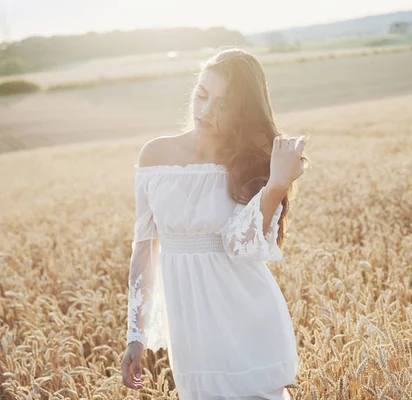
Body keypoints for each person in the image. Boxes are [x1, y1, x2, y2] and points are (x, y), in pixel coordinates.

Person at [120, 48, 309, 400]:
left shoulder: (256, 163)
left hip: (249, 317)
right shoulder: (154, 155)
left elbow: (241, 246)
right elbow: (144, 249)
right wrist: (136, 334)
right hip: (191, 330)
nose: (205, 111)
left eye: (222, 105)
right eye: (202, 95)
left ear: (241, 112)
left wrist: (276, 186)